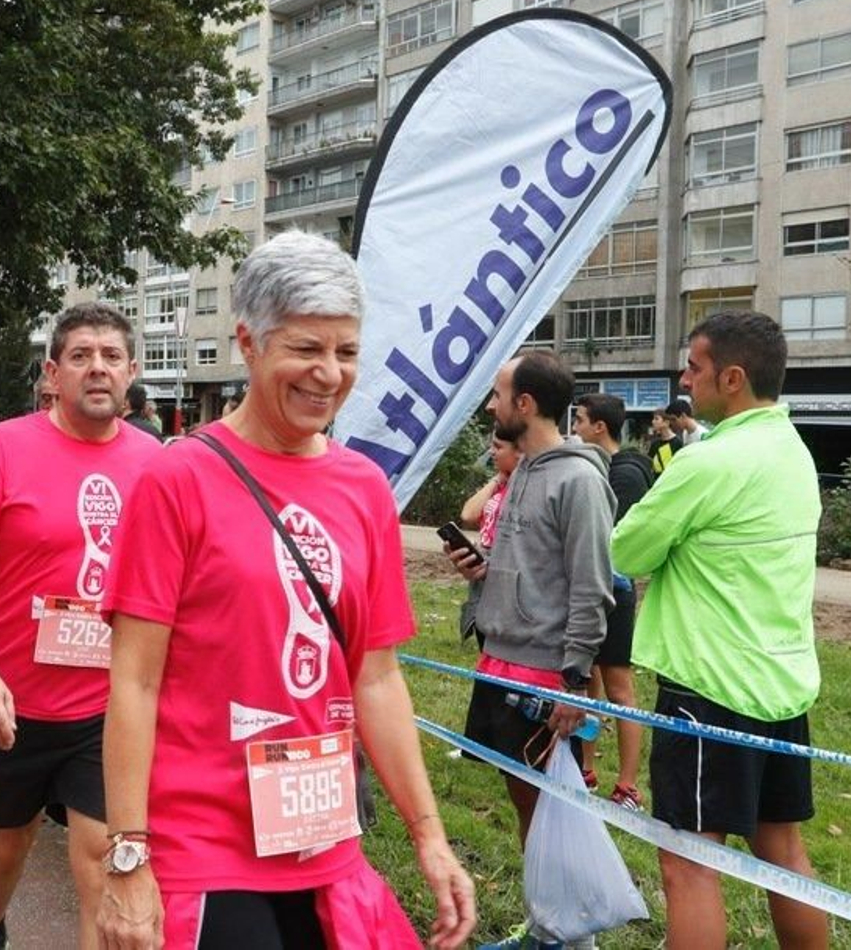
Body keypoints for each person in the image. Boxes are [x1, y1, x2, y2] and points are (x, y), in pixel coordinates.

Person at [97, 232, 475, 950]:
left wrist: (430, 835)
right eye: (306, 348)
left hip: (323, 837)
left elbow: (378, 677)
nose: (328, 374)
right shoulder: (177, 479)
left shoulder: (364, 488)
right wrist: (127, 854)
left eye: (347, 352)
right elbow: (134, 683)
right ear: (249, 342)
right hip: (202, 847)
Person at [0, 304, 163, 950]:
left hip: (106, 706)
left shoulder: (155, 462)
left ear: (131, 372)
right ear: (53, 372)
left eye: (111, 356)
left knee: (102, 855)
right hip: (10, 703)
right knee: (8, 840)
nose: (98, 366)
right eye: (81, 355)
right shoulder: (3, 447)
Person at [612, 311, 827, 950]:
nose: (683, 379)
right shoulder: (794, 452)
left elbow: (626, 552)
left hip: (708, 690)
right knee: (783, 851)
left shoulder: (708, 462)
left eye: (694, 367)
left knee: (687, 863)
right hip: (783, 685)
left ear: (731, 378)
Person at [445, 351, 613, 950]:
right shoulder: (522, 473)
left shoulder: (579, 480)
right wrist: (480, 573)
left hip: (546, 674)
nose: (490, 406)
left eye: (497, 395)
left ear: (525, 404)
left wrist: (574, 683)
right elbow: (530, 575)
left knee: (553, 811)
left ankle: (574, 939)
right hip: (501, 662)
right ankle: (549, 926)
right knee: (528, 809)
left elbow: (592, 587)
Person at [571, 392, 654, 809]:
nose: (574, 429)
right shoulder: (597, 467)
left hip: (615, 595)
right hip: (589, 592)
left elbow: (614, 541)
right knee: (587, 689)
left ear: (599, 427)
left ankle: (627, 786)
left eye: (579, 421)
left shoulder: (625, 474)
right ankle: (585, 770)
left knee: (620, 691)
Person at [457, 430, 519, 646]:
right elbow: (468, 514)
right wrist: (498, 479)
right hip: (483, 575)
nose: (492, 452)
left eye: (499, 447)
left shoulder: (524, 488)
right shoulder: (499, 485)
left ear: (519, 452)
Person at [648, 408, 683, 474]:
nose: (653, 421)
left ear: (666, 422)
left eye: (656, 419)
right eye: (653, 419)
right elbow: (649, 465)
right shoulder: (654, 444)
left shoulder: (678, 443)